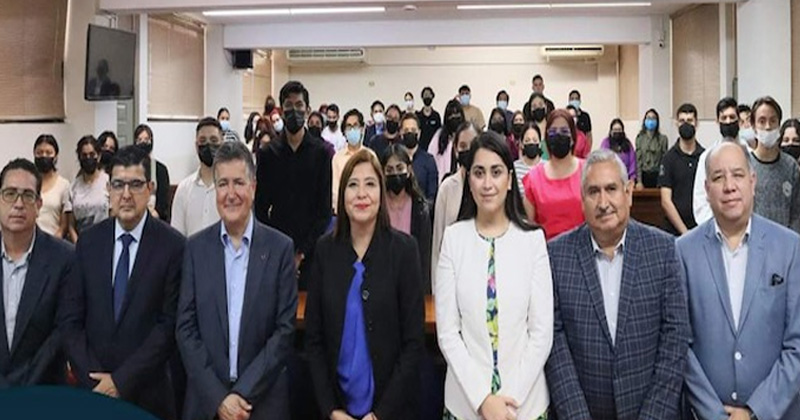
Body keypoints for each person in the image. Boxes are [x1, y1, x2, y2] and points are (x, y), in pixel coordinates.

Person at [546, 149, 689, 419]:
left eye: (611, 189)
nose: (603, 203)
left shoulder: (663, 250)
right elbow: (555, 346)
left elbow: (675, 338)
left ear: (629, 192)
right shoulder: (556, 256)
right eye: (593, 192)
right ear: (582, 200)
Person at [677, 141, 800, 420]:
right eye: (718, 177)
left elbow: (797, 344)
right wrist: (714, 414)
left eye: (738, 175)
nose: (729, 186)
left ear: (752, 182)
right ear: (707, 189)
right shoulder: (683, 252)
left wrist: (755, 411)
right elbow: (680, 345)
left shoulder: (790, 248)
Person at [62, 146, 185, 420]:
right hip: (93, 392)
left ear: (150, 188)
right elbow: (70, 320)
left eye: (135, 184)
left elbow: (168, 326)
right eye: (118, 184)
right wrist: (95, 380)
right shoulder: (89, 242)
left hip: (148, 395)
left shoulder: (173, 246)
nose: (126, 194)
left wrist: (120, 381)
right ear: (108, 189)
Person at [436, 132, 552, 420]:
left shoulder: (533, 241)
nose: (487, 183)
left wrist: (508, 404)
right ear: (469, 181)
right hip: (466, 406)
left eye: (496, 172)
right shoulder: (453, 239)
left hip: (524, 406)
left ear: (510, 180)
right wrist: (483, 400)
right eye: (479, 173)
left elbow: (541, 334)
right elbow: (448, 333)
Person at [177, 141, 297, 420]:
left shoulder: (280, 249)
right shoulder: (195, 249)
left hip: (261, 403)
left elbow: (284, 330)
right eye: (222, 184)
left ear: (253, 188)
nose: (230, 194)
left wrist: (241, 394)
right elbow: (185, 328)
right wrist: (218, 399)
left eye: (239, 183)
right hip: (207, 403)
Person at [305, 149, 425, 420]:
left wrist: (380, 415)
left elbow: (414, 343)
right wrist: (331, 410)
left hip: (391, 411)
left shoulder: (405, 251)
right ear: (342, 195)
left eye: (370, 184)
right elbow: (313, 340)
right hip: (336, 410)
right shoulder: (325, 250)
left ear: (381, 193)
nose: (361, 194)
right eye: (353, 185)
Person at [0, 158, 74, 386]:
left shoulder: (64, 258)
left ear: (39, 204)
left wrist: (22, 384)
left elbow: (61, 333)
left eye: (27, 195)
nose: (18, 204)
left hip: (42, 389)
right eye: (10, 194)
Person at [255, 81, 332, 290]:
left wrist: (301, 253)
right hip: (276, 251)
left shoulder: (321, 153)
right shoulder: (268, 154)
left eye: (299, 105)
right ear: (281, 110)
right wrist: (281, 249)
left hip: (312, 252)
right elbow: (260, 208)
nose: (294, 111)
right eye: (288, 105)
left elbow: (324, 211)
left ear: (307, 110)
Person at [522, 109, 585, 240]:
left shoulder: (587, 171)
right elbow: (528, 227)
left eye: (564, 131)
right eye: (553, 132)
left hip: (583, 246)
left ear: (573, 139)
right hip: (546, 248)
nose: (558, 135)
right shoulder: (534, 178)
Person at [431, 122, 478, 289]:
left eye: (473, 145)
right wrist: (437, 288)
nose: (468, 150)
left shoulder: (488, 187)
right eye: (463, 146)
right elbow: (438, 242)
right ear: (456, 150)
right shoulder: (447, 187)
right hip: (452, 275)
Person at [381, 144, 432, 291]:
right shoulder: (378, 206)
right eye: (389, 170)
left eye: (399, 168)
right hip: (382, 279)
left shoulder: (420, 208)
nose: (395, 174)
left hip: (411, 280)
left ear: (408, 171)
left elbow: (424, 256)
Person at [749, 96, 800, 233]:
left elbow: (796, 214)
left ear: (779, 125)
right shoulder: (744, 165)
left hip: (785, 241)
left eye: (772, 121)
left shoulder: (791, 167)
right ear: (753, 126)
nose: (768, 127)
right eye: (762, 121)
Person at [693, 97, 743, 226]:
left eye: (732, 117)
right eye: (724, 118)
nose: (728, 121)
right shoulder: (707, 157)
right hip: (716, 228)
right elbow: (700, 199)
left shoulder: (749, 154)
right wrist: (719, 226)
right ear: (717, 121)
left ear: (739, 120)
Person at [171, 117, 223, 237]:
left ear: (222, 144)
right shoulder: (183, 189)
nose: (208, 145)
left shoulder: (230, 188)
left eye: (214, 140)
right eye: (203, 141)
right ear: (196, 146)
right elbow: (177, 236)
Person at [659, 103, 704, 236]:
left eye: (690, 120)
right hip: (673, 232)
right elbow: (666, 201)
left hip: (700, 230)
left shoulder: (705, 157)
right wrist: (685, 232)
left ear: (696, 123)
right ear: (676, 124)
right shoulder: (668, 158)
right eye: (682, 121)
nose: (686, 124)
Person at [332, 109, 378, 212]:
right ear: (344, 132)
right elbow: (335, 190)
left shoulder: (370, 155)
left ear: (361, 129)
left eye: (355, 126)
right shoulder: (337, 158)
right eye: (349, 126)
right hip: (343, 211)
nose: (352, 130)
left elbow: (375, 186)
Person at [67, 135, 109, 242]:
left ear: (99, 156)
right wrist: (78, 245)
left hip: (104, 241)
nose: (88, 158)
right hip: (81, 242)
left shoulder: (108, 182)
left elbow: (114, 216)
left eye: (92, 154)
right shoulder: (73, 187)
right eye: (84, 155)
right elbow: (71, 225)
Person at [33, 135, 70, 238]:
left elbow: (64, 226)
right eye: (39, 153)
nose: (44, 156)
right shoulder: (29, 183)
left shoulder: (64, 185)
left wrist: (53, 242)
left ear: (56, 156)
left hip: (53, 240)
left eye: (48, 153)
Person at [134, 124, 171, 222]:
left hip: (155, 219)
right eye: (140, 140)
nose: (143, 143)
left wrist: (154, 215)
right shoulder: (130, 169)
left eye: (146, 140)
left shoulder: (161, 169)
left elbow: (163, 201)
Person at [399, 112, 438, 205]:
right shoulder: (395, 159)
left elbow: (432, 196)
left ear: (419, 133)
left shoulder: (429, 161)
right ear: (401, 133)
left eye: (413, 130)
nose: (410, 133)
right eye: (406, 130)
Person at [429, 100, 464, 184]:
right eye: (451, 115)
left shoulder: (466, 135)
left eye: (457, 114)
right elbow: (430, 159)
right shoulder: (439, 136)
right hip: (443, 183)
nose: (454, 117)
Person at [635, 108, 668, 189]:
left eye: (653, 118)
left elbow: (664, 162)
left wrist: (662, 180)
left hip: (657, 175)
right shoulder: (640, 138)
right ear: (645, 121)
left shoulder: (663, 139)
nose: (651, 121)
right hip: (644, 175)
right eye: (648, 118)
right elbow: (638, 161)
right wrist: (639, 181)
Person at [513, 122, 543, 193]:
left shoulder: (547, 168)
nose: (531, 143)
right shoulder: (514, 168)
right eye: (527, 140)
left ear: (540, 144)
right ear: (522, 144)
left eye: (535, 140)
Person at [525, 93, 550, 160]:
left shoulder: (552, 127)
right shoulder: (527, 130)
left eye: (540, 104)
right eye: (534, 106)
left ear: (545, 106)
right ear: (530, 110)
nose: (538, 108)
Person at [416, 86, 441, 151]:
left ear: (432, 97)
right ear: (422, 97)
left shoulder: (436, 116)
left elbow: (439, 133)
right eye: (425, 95)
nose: (427, 97)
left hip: (434, 149)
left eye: (429, 95)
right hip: (421, 148)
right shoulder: (418, 116)